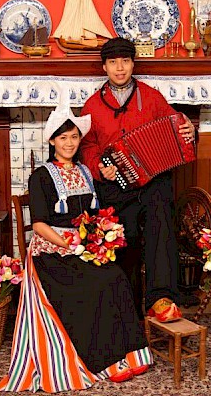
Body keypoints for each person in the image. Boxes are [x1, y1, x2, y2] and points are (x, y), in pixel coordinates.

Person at [0, 98, 153, 394]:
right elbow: (39, 224)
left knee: (117, 276)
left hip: (83, 245)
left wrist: (100, 235)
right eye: (63, 137)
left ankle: (128, 354)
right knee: (96, 284)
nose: (69, 143)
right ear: (52, 140)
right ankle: (104, 361)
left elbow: (94, 214)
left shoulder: (83, 171)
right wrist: (70, 243)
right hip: (51, 251)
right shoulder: (41, 175)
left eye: (74, 137)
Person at [80, 37, 196, 319]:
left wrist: (190, 130)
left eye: (125, 61)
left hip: (153, 181)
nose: (120, 68)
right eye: (113, 63)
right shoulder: (92, 105)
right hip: (116, 185)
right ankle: (126, 302)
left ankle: (161, 298)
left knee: (161, 223)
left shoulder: (152, 97)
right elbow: (87, 146)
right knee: (122, 235)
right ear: (104, 67)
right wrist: (99, 168)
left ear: (133, 64)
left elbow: (176, 126)